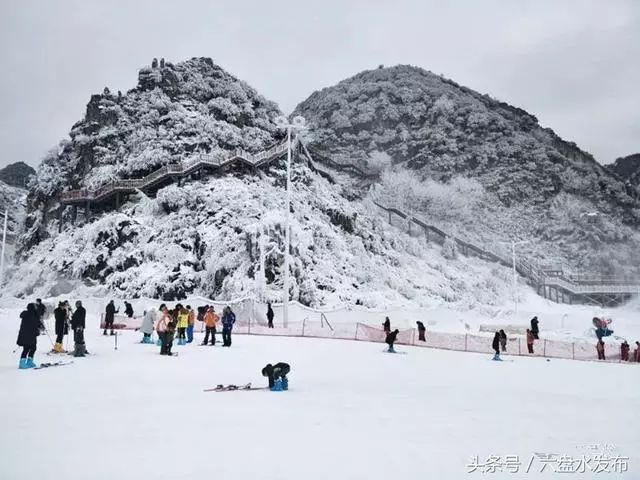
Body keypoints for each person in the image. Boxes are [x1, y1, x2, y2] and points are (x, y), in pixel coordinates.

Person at [17, 303, 39, 369]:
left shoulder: (28, 314)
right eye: (35, 307)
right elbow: (34, 325)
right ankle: (24, 363)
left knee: (29, 348)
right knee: (30, 348)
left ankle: (27, 362)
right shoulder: (32, 315)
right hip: (29, 334)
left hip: (26, 335)